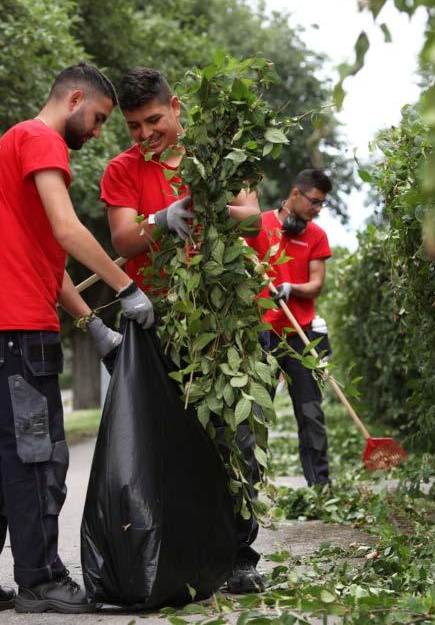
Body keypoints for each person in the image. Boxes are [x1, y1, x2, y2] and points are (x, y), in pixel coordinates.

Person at [0, 62, 155, 617]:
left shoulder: (2, 155)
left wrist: (95, 324)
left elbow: (46, 256)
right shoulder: (41, 140)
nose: (96, 132)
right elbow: (68, 230)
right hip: (16, 329)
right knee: (37, 457)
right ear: (75, 99)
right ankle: (41, 579)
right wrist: (127, 287)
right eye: (98, 119)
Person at [99, 67, 264, 594]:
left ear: (176, 107)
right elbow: (124, 240)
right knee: (165, 440)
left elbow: (254, 218)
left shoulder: (215, 156)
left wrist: (212, 208)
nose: (145, 135)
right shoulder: (121, 170)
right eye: (132, 127)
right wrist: (161, 218)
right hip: (157, 319)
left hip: (219, 317)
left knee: (231, 438)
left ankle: (241, 555)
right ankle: (179, 553)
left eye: (153, 121)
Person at [246, 169, 333, 488]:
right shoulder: (259, 225)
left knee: (311, 413)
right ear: (295, 194)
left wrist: (291, 288)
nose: (317, 209)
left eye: (322, 204)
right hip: (263, 335)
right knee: (256, 414)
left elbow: (317, 283)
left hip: (301, 336)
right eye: (314, 201)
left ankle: (321, 486)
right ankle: (250, 488)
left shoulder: (316, 235)